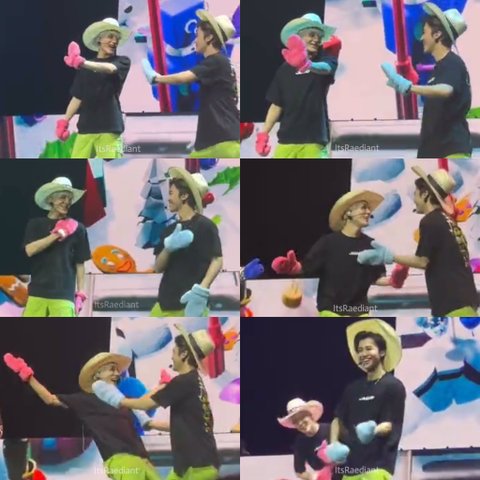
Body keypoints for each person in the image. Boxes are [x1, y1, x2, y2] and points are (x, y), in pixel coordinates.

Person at [3, 351, 166, 480]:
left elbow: (148, 421)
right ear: (97, 375)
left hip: (144, 460)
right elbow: (50, 399)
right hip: (122, 460)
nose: (116, 373)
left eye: (117, 369)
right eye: (111, 369)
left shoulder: (125, 401)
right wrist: (27, 375)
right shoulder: (86, 400)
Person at [92, 325, 220, 480]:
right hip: (190, 467)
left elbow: (144, 404)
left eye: (174, 351)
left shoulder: (183, 382)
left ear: (184, 354)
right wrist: (150, 423)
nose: (171, 356)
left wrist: (115, 398)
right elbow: (186, 425)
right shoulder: (193, 382)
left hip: (197, 469)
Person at [357, 166, 479, 317]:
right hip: (466, 301)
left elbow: (422, 261)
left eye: (415, 194)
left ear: (425, 194)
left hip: (453, 304)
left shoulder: (430, 221)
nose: (414, 199)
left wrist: (388, 256)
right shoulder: (447, 221)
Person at [272, 191, 408, 316]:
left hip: (359, 311)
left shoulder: (371, 244)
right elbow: (307, 267)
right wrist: (293, 267)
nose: (368, 212)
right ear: (348, 213)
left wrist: (394, 280)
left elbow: (376, 278)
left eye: (369, 209)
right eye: (363, 208)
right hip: (331, 311)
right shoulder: (328, 242)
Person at [142, 10, 239, 158]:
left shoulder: (216, 61)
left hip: (222, 139)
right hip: (219, 138)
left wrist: (157, 78)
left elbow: (184, 78)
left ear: (209, 37)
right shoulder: (220, 63)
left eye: (198, 36)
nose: (195, 41)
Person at [381, 4, 470, 158]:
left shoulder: (452, 63)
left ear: (437, 35)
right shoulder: (440, 68)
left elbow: (446, 90)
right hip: (434, 150)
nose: (422, 38)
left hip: (451, 151)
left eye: (425, 32)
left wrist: (409, 87)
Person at [329, 319, 406, 480]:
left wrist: (373, 430)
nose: (363, 354)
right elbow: (338, 418)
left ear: (382, 352)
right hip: (349, 470)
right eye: (360, 350)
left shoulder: (393, 386)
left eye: (369, 348)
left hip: (377, 468)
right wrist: (334, 442)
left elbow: (391, 424)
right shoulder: (352, 388)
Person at [255, 13, 340, 159]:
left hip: (314, 142)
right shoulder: (284, 69)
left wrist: (307, 64)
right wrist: (263, 134)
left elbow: (326, 69)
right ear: (299, 37)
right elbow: (276, 105)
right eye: (312, 35)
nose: (316, 39)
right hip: (286, 141)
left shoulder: (326, 60)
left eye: (319, 36)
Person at [150, 167, 223, 317]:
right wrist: (168, 248)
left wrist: (201, 290)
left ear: (184, 196)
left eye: (171, 193)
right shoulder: (169, 230)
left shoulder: (205, 226)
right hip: (164, 303)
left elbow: (217, 260)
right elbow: (158, 267)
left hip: (192, 304)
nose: (168, 198)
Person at [56, 18, 131, 159]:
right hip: (86, 127)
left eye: (116, 38)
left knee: (111, 166)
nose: (114, 41)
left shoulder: (122, 61)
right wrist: (65, 121)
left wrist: (82, 62)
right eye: (110, 36)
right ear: (99, 39)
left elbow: (110, 69)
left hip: (109, 127)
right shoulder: (85, 67)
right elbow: (78, 97)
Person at [23, 177, 91, 317]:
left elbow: (80, 263)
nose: (67, 202)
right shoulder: (35, 224)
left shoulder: (78, 228)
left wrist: (81, 292)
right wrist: (57, 234)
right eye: (62, 197)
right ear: (51, 199)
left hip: (64, 297)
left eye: (69, 199)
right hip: (37, 294)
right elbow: (30, 250)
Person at [277, 398, 348, 480]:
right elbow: (299, 472)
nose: (300, 423)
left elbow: (355, 450)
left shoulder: (332, 429)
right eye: (295, 421)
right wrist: (316, 477)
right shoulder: (300, 442)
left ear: (310, 415)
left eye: (302, 417)